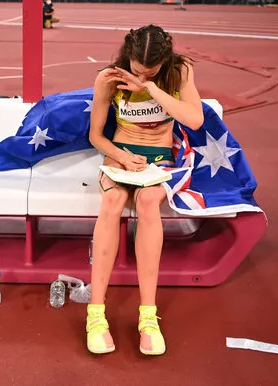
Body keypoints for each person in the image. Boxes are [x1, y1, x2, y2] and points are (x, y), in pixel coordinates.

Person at [87, 24, 203, 356]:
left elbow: (194, 120)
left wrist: (152, 88)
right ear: (128, 56)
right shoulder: (107, 78)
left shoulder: (179, 71)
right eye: (136, 70)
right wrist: (122, 156)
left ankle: (148, 317)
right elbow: (96, 135)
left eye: (149, 71)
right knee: (112, 200)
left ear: (163, 63)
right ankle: (96, 315)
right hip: (121, 154)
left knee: (150, 201)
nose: (140, 75)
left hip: (161, 157)